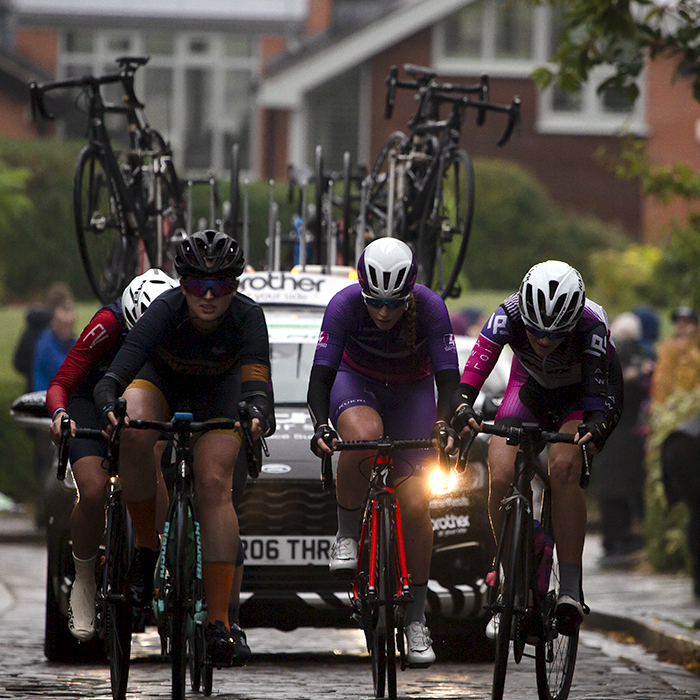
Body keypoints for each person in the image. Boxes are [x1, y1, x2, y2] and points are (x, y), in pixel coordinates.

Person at [93, 230, 271, 667]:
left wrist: (256, 413)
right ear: (181, 285)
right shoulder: (165, 310)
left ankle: (219, 622)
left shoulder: (248, 317)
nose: (207, 295)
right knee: (133, 431)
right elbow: (116, 373)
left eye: (220, 286)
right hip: (163, 384)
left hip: (219, 394)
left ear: (236, 287)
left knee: (213, 484)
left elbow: (256, 385)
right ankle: (147, 550)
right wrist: (108, 401)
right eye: (195, 284)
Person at [307, 237, 460, 668]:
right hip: (357, 384)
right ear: (363, 291)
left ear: (410, 291)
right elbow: (320, 379)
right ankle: (347, 535)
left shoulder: (431, 308)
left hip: (412, 392)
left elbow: (449, 383)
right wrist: (322, 425)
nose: (384, 312)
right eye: (375, 302)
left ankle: (415, 619)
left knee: (415, 502)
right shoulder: (343, 305)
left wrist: (444, 425)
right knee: (365, 436)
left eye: (395, 303)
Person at [451, 260, 623, 636]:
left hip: (579, 397)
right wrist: (462, 405)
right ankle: (511, 566)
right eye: (536, 333)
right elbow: (475, 372)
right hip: (528, 389)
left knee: (563, 467)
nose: (544, 341)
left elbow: (600, 392)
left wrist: (598, 427)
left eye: (555, 334)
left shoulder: (591, 324)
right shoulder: (508, 314)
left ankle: (571, 588)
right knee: (501, 471)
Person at [46, 269, 179, 641]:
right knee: (92, 490)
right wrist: (59, 416)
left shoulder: (179, 323)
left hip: (143, 406)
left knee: (149, 460)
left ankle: (162, 561)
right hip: (91, 402)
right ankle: (84, 581)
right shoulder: (108, 322)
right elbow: (61, 381)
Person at [593, 312, 652, 568]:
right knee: (624, 491)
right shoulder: (642, 364)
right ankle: (623, 540)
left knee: (614, 492)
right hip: (627, 434)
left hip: (611, 433)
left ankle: (618, 541)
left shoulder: (608, 360)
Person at [13, 282, 75, 393]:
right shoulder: (46, 342)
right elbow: (67, 374)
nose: (71, 317)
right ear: (56, 313)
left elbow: (18, 364)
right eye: (67, 310)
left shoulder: (36, 332)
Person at [650, 306, 700, 405]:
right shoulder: (665, 346)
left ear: (695, 326)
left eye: (686, 322)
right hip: (664, 403)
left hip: (689, 404)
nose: (681, 325)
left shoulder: (695, 349)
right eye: (678, 322)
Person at [32, 303, 78, 391]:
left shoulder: (73, 342)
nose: (67, 329)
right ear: (53, 321)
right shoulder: (45, 344)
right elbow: (65, 372)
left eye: (70, 324)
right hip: (46, 399)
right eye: (62, 323)